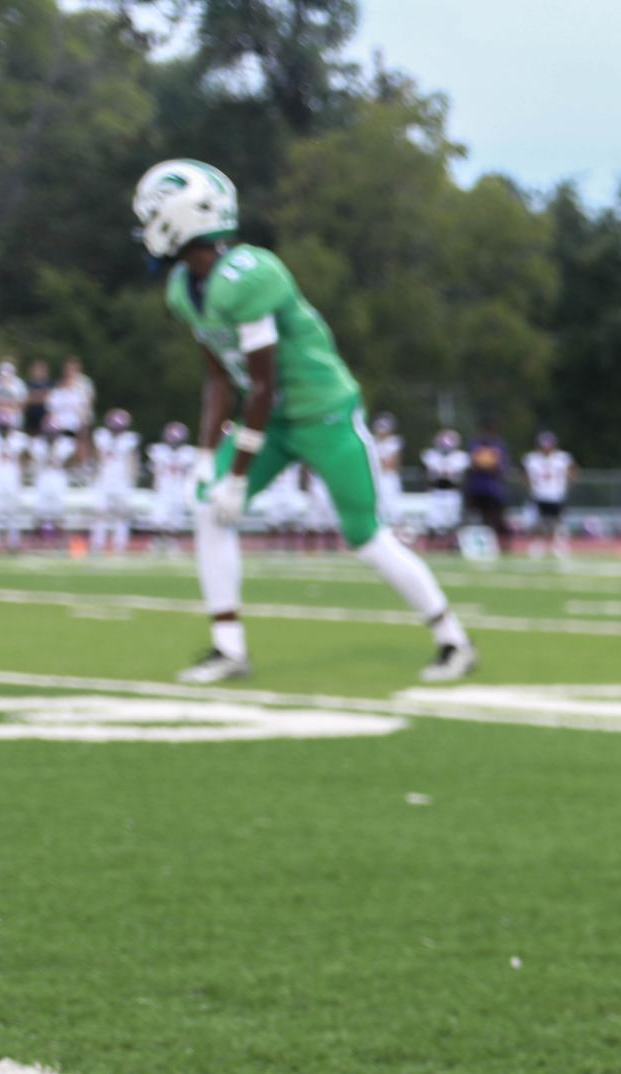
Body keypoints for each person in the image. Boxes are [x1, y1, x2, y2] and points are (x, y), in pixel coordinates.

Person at [130, 158, 476, 684]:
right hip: (270, 421)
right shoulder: (185, 288)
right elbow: (220, 377)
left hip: (322, 414)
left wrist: (239, 472)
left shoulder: (250, 275)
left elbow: (265, 384)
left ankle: (452, 639)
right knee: (208, 510)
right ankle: (229, 648)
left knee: (365, 536)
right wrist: (206, 457)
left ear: (180, 217)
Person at [90, 408, 140, 555]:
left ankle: (120, 544)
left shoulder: (130, 439)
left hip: (121, 479)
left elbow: (132, 460)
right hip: (104, 478)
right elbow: (98, 457)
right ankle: (98, 543)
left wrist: (131, 479)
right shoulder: (101, 436)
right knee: (100, 512)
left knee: (122, 514)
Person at [524, 429, 575, 560]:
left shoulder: (562, 458)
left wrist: (565, 486)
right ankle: (538, 545)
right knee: (539, 522)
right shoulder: (532, 459)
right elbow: (525, 476)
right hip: (539, 494)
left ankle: (559, 545)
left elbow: (572, 472)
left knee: (558, 522)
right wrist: (530, 488)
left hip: (556, 494)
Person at [461, 419, 512, 552]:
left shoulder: (499, 445)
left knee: (494, 518)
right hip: (476, 487)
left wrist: (484, 464)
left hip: (492, 489)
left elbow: (498, 467)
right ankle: (465, 544)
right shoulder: (475, 444)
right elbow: (473, 464)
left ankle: (498, 545)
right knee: (471, 516)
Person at [0, 424, 31, 552]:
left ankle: (13, 542)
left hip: (11, 476)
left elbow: (25, 456)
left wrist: (21, 473)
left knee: (13, 511)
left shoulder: (18, 439)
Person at [147, 421, 197, 539]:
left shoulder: (189, 452)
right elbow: (155, 472)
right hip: (164, 487)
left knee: (175, 520)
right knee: (159, 518)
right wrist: (154, 487)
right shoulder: (159, 450)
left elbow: (191, 473)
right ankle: (158, 541)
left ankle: (172, 543)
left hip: (179, 488)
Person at [28, 428, 75, 539]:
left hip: (58, 477)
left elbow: (72, 460)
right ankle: (38, 539)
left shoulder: (65, 444)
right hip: (43, 478)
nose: (51, 437)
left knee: (59, 508)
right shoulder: (38, 444)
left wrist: (62, 463)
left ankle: (60, 537)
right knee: (40, 508)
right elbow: (31, 458)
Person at [422, 429, 467, 539]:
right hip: (436, 491)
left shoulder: (460, 457)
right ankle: (434, 544)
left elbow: (453, 475)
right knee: (434, 520)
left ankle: (450, 543)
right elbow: (432, 474)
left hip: (452, 491)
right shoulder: (431, 455)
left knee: (452, 520)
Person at [370, 413, 404, 529]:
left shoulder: (394, 442)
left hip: (388, 478)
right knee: (377, 507)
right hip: (376, 477)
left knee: (392, 507)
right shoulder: (371, 442)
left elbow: (389, 464)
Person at [0, 359, 27, 432]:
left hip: (14, 414)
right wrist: (1, 407)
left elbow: (22, 400)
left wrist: (11, 408)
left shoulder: (19, 383)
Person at [22, 359, 52, 438]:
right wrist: (40, 396)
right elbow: (26, 399)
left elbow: (47, 398)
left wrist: (34, 396)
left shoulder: (49, 383)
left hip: (43, 415)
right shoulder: (28, 383)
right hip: (30, 415)